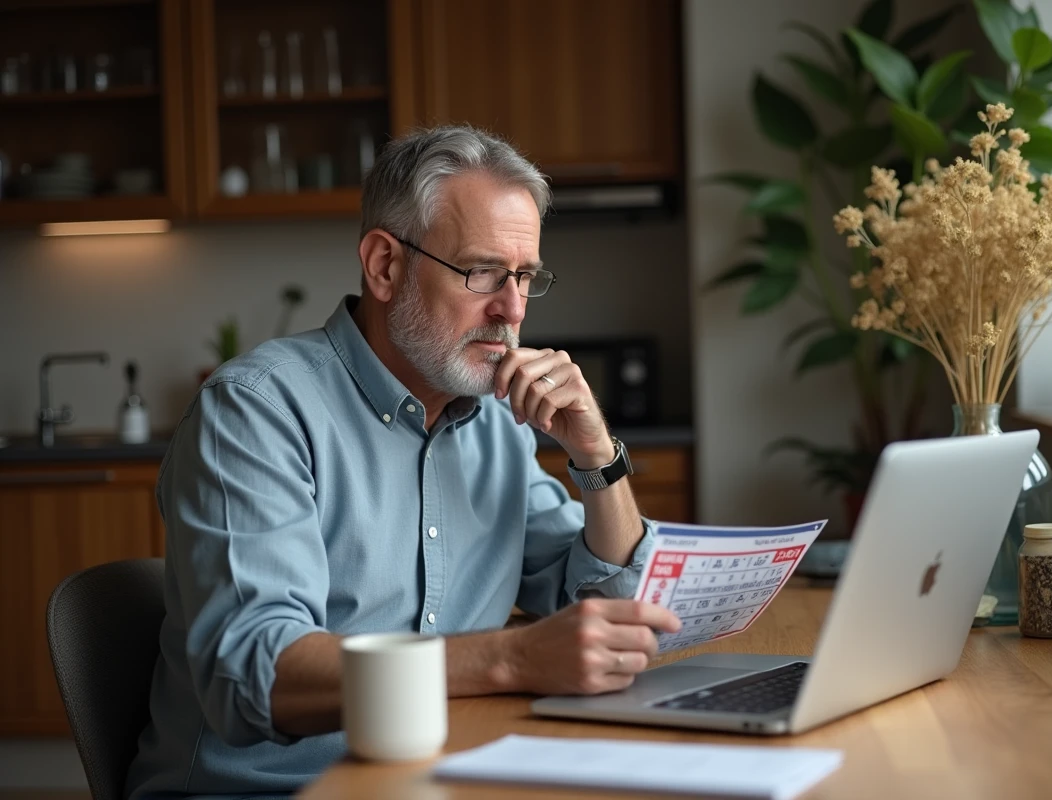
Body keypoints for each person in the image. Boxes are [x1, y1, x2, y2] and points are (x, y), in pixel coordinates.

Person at [125, 126, 681, 799]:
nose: (511, 309)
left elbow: (605, 605)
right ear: (385, 266)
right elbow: (255, 677)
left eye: (526, 276)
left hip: (447, 776)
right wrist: (511, 658)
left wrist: (597, 458)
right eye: (482, 272)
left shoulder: (497, 425)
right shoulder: (256, 411)